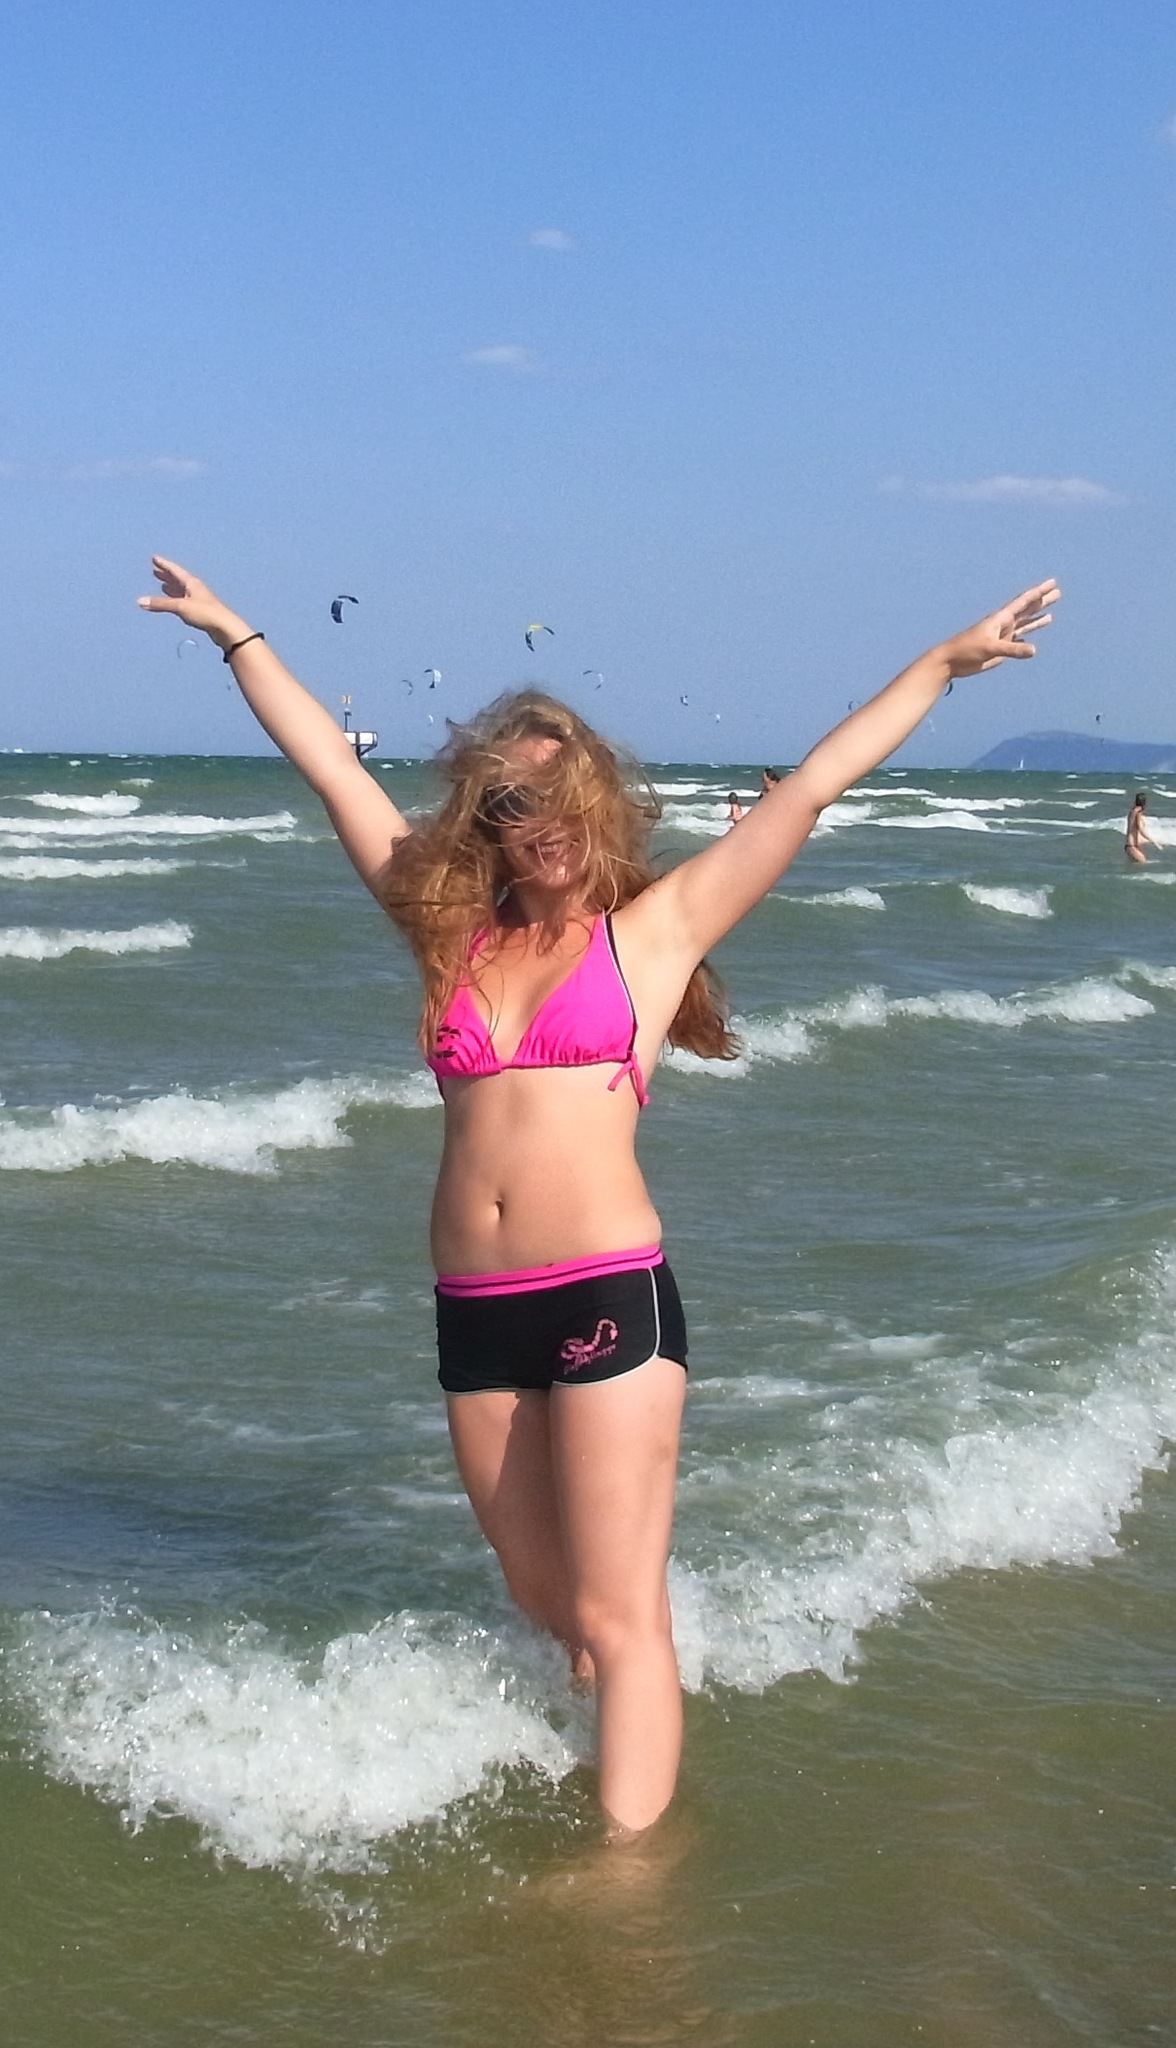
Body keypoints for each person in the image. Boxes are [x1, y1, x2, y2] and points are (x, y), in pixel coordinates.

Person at [139, 557, 1059, 1839]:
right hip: (477, 1311)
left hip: (605, 1294)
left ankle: (625, 1890)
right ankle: (618, 1750)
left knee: (623, 1617)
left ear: (601, 799)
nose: (544, 820)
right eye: (513, 798)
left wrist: (942, 666)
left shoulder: (655, 932)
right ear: (486, 813)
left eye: (563, 792)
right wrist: (236, 633)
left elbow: (812, 784)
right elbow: (333, 770)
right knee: (546, 1599)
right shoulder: (449, 932)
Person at [1125, 791, 1159, 865]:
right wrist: (1154, 842)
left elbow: (1132, 830)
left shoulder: (1132, 811)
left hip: (1130, 846)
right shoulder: (1138, 812)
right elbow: (1141, 830)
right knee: (1143, 863)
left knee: (1136, 867)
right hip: (1132, 846)